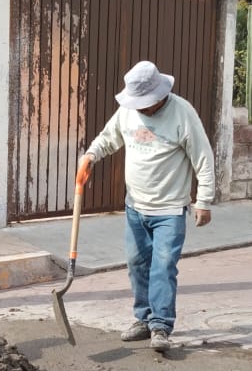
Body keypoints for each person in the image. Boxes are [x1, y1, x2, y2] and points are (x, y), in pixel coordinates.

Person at [79, 61, 215, 352]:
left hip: (169, 209)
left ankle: (161, 325)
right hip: (135, 207)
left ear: (159, 96)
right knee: (137, 264)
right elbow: (109, 137)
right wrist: (90, 156)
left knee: (163, 267)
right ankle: (143, 319)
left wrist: (204, 201)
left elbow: (203, 158)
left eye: (145, 103)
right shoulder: (128, 110)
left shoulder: (182, 113)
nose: (139, 108)